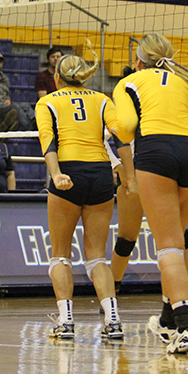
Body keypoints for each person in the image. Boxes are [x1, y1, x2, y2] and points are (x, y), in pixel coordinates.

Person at [113, 33, 188, 354]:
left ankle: (186, 327)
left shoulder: (130, 81)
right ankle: (169, 318)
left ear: (139, 59)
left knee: (167, 244)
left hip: (156, 153)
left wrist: (117, 124)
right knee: (177, 236)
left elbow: (127, 127)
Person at [35, 44, 133, 340]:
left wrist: (56, 175)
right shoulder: (102, 99)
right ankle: (112, 321)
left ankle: (66, 323)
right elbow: (123, 136)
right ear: (85, 77)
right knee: (96, 257)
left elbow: (48, 142)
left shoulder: (48, 102)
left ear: (58, 78)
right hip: (101, 175)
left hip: (68, 171)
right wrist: (129, 177)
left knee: (60, 255)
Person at [107, 140, 188, 312]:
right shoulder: (123, 113)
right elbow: (101, 133)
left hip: (161, 164)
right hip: (134, 167)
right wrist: (116, 164)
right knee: (127, 238)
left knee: (178, 232)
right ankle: (110, 294)